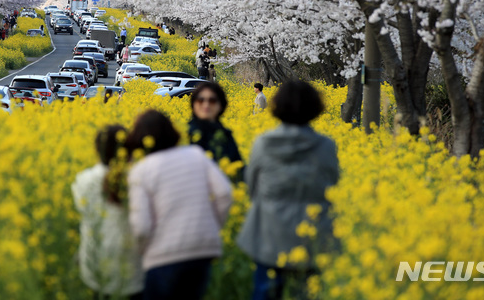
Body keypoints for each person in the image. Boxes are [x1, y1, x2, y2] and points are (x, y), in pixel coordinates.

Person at [237, 81, 340, 300]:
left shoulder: (262, 143)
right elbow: (333, 187)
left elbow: (252, 188)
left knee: (266, 293)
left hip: (269, 236)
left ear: (277, 106)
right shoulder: (326, 146)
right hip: (312, 237)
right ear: (315, 108)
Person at [127, 110, 232, 300]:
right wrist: (212, 227)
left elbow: (141, 227)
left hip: (162, 256)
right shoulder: (196, 154)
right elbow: (224, 193)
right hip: (202, 251)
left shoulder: (140, 171)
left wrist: (143, 252)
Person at [72, 125, 144, 299]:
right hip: (132, 267)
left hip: (95, 266)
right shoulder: (138, 179)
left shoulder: (83, 180)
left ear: (97, 150)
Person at [188, 83, 243, 180]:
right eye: (200, 100)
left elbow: (239, 170)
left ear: (221, 105)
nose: (206, 105)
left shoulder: (226, 136)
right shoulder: (184, 134)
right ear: (193, 104)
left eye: (212, 100)